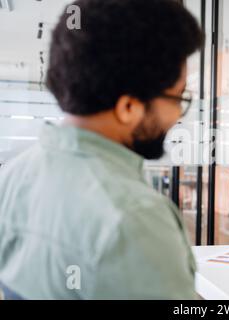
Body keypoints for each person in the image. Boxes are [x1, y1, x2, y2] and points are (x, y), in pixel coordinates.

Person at [0, 0, 203, 299]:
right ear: (129, 107)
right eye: (178, 98)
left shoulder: (12, 177)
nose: (179, 115)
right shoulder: (134, 217)